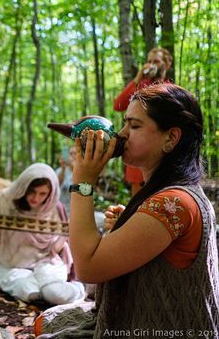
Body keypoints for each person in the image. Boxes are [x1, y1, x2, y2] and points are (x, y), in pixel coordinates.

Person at [67, 84, 218, 335]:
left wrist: (83, 181)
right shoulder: (170, 193)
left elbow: (87, 268)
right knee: (48, 320)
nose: (122, 134)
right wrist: (127, 226)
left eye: (135, 126)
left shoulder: (174, 204)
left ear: (171, 138)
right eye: (125, 123)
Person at [0, 163, 85, 304]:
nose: (36, 198)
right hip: (12, 265)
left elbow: (55, 249)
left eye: (42, 194)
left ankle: (78, 289)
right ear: (23, 187)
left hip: (46, 263)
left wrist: (67, 232)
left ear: (50, 193)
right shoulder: (6, 200)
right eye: (32, 192)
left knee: (54, 293)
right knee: (31, 293)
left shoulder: (54, 208)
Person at [114, 47, 173, 196]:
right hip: (137, 146)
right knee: (137, 199)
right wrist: (138, 78)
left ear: (167, 64)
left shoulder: (171, 90)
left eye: (156, 61)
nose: (152, 64)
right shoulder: (140, 85)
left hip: (161, 154)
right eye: (149, 61)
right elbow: (118, 105)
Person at [55, 146, 76, 214]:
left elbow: (78, 192)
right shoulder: (60, 171)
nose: (73, 156)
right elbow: (56, 185)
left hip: (76, 211)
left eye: (75, 153)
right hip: (61, 211)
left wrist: (74, 168)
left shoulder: (83, 172)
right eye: (71, 153)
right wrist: (63, 168)